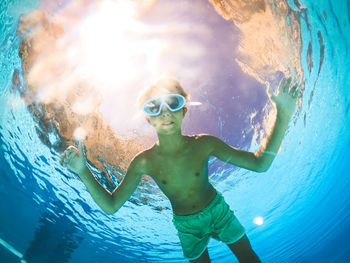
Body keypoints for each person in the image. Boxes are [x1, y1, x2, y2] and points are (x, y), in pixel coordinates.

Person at [60, 77, 299, 262]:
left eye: (173, 102)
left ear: (184, 110)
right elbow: (111, 206)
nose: (165, 112)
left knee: (249, 259)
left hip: (218, 211)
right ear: (148, 118)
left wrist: (284, 114)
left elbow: (260, 164)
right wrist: (83, 171)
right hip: (186, 225)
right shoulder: (144, 161)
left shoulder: (205, 144)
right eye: (154, 107)